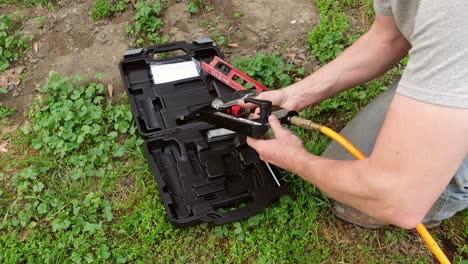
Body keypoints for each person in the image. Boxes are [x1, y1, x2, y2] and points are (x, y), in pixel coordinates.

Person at [244, 0, 468, 229]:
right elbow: (388, 37)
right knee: (344, 170)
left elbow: (396, 200)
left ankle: (449, 195)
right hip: (456, 57)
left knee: (363, 200)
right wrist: (293, 95)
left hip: (458, 47)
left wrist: (296, 160)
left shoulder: (453, 12)